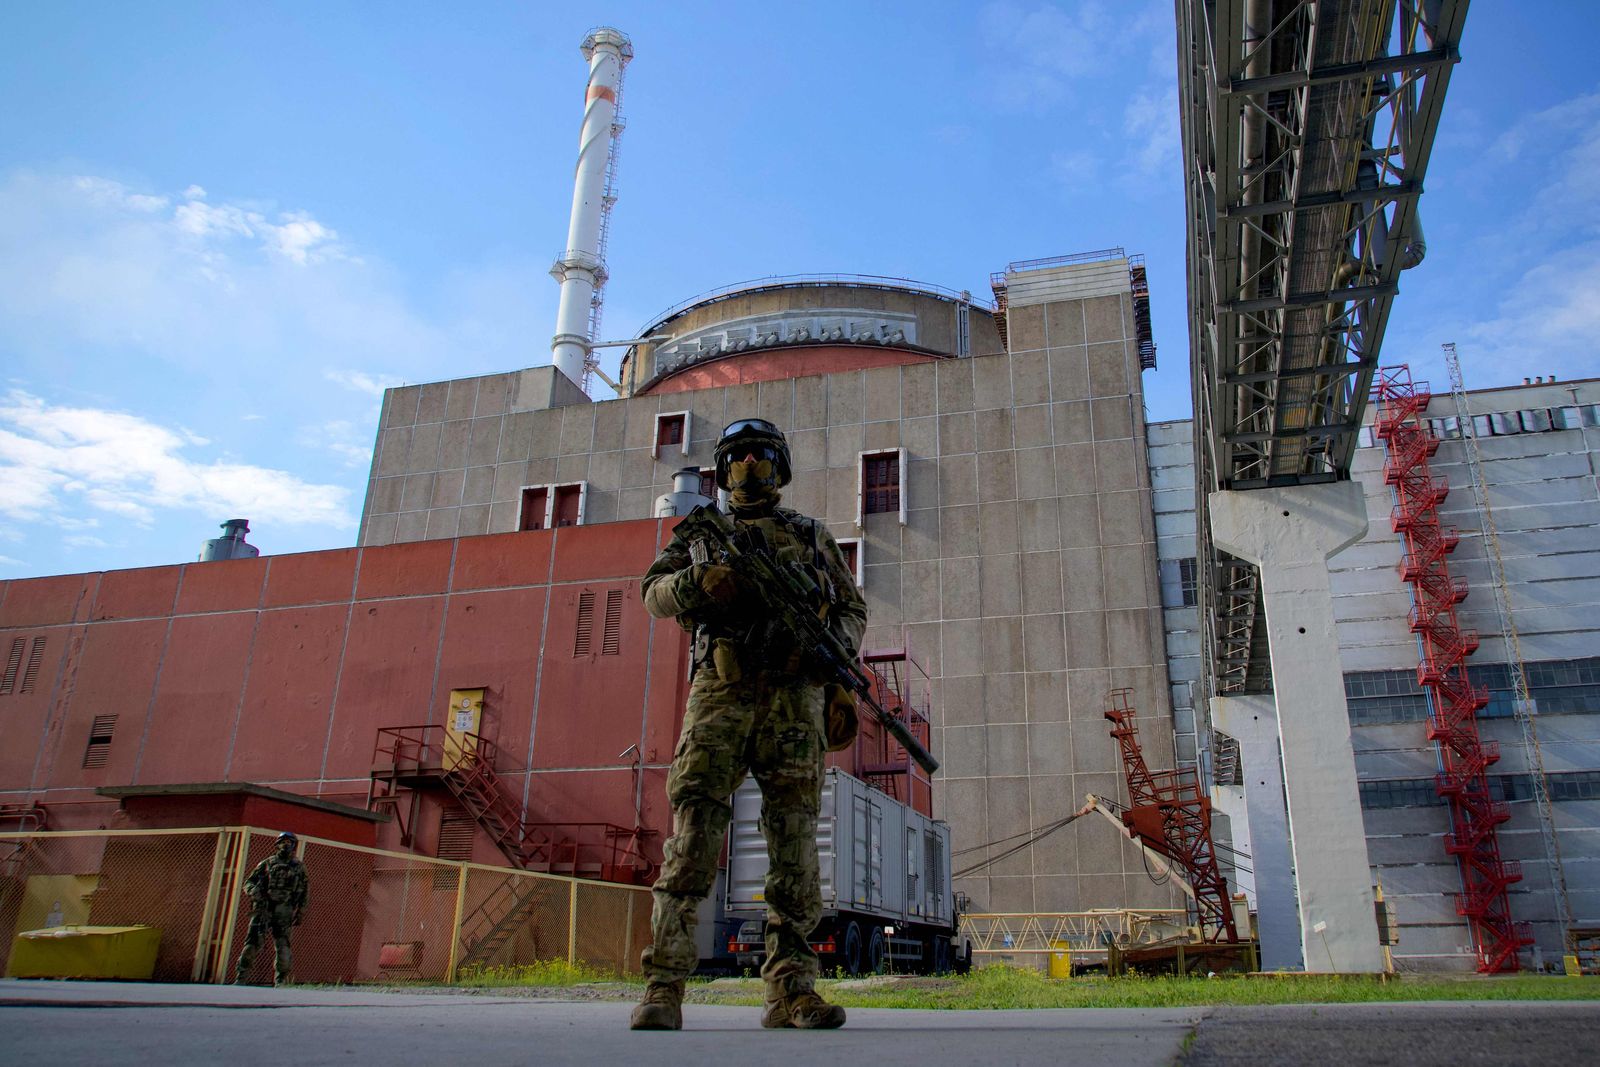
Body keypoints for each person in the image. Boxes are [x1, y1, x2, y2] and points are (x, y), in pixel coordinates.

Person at [630, 418, 866, 1032]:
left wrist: (830, 654)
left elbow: (850, 607)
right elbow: (653, 592)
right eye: (738, 457)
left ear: (780, 467)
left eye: (762, 456)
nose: (750, 467)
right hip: (721, 695)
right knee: (693, 839)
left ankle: (791, 992)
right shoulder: (702, 535)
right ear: (723, 469)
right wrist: (697, 581)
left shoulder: (812, 536)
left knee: (794, 850)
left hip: (793, 700)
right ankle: (664, 988)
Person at [234, 830, 310, 986]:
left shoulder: (299, 867)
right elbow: (249, 883)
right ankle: (241, 977)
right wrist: (254, 892)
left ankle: (281, 980)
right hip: (264, 909)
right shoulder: (267, 863)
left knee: (283, 946)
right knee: (252, 943)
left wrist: (301, 912)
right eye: (283, 842)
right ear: (277, 844)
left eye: (289, 843)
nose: (286, 845)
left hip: (284, 910)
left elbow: (304, 891)